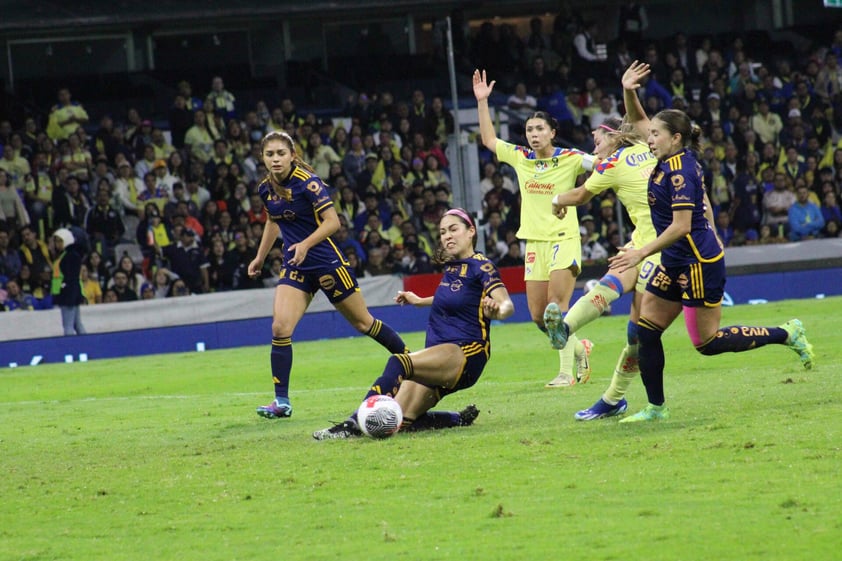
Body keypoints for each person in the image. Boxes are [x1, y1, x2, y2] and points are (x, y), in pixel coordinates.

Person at [607, 98, 814, 423]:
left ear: (674, 138)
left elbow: (682, 226)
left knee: (706, 342)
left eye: (655, 134)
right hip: (674, 261)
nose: (649, 138)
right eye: (650, 134)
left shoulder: (681, 173)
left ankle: (786, 333)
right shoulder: (666, 151)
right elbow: (640, 119)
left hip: (699, 262)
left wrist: (640, 253)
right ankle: (656, 408)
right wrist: (628, 90)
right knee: (646, 333)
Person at [247, 131, 409, 419]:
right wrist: (260, 257)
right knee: (280, 328)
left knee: (363, 323)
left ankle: (412, 362)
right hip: (296, 265)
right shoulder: (265, 188)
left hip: (326, 263)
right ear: (263, 158)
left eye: (280, 153)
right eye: (270, 154)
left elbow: (333, 222)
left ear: (292, 155)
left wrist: (306, 244)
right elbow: (273, 220)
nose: (275, 159)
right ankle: (281, 402)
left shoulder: (308, 184)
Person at [313, 208, 514, 439]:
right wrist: (420, 301)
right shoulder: (453, 266)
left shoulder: (482, 265)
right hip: (442, 351)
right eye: (442, 232)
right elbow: (456, 298)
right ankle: (457, 419)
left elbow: (507, 305)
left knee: (399, 363)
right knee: (400, 419)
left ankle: (351, 425)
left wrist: (497, 312)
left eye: (453, 229)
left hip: (465, 352)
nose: (447, 236)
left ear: (471, 231)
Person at [548, 63, 661, 419]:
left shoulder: (625, 156)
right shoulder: (640, 150)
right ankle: (565, 330)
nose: (593, 143)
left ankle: (613, 397)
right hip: (642, 243)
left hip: (667, 247)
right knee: (616, 280)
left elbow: (579, 195)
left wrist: (556, 201)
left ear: (616, 136)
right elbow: (639, 119)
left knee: (636, 336)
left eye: (599, 137)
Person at [474, 68, 595, 388]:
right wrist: (482, 102)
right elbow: (488, 140)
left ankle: (567, 374)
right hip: (534, 244)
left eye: (540, 128)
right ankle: (579, 346)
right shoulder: (521, 158)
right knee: (540, 317)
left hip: (564, 239)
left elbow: (601, 168)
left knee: (557, 307)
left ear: (553, 132)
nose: (533, 134)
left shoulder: (570, 158)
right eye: (529, 129)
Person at [51, 227, 87, 335]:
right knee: (76, 324)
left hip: (67, 294)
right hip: (69, 293)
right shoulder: (68, 255)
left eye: (60, 241)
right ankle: (87, 345)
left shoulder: (69, 256)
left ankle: (70, 346)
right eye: (56, 241)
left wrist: (68, 295)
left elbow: (71, 278)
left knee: (68, 325)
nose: (57, 244)